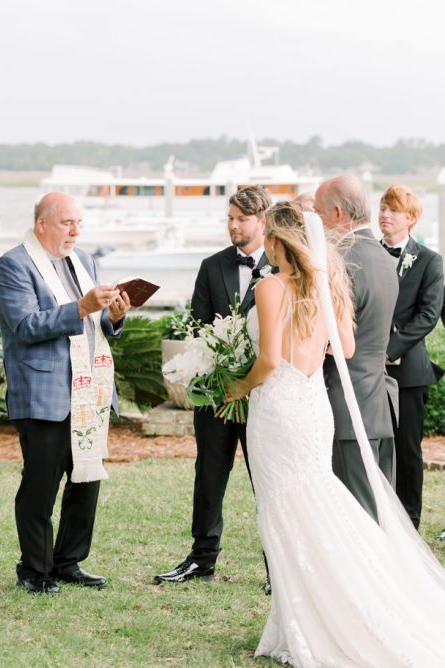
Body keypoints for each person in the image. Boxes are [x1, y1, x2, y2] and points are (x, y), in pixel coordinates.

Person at [224, 202, 445, 666]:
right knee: (313, 503)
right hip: (313, 405)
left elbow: (268, 361)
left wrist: (236, 387)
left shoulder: (270, 286)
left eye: (268, 237)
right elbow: (344, 347)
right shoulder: (327, 284)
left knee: (284, 513)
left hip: (279, 407)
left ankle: (311, 622)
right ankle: (309, 616)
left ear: (276, 241)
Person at [0, 192, 130, 595]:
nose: (75, 231)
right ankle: (34, 570)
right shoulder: (12, 265)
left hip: (89, 391)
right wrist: (82, 307)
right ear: (42, 225)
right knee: (41, 486)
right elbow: (25, 326)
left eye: (78, 223)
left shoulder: (84, 260)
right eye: (67, 223)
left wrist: (114, 316)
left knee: (86, 480)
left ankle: (68, 562)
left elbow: (98, 325)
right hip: (44, 393)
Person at [155, 185, 272, 585]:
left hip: (263, 394)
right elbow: (200, 327)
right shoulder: (211, 266)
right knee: (208, 475)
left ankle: (277, 566)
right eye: (230, 218)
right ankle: (201, 558)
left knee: (267, 480)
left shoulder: (280, 266)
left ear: (263, 222)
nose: (233, 225)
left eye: (241, 219)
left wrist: (248, 378)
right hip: (216, 393)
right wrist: (219, 373)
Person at [314, 174, 399, 521]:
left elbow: (328, 337)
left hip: (346, 405)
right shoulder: (384, 257)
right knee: (379, 516)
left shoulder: (340, 261)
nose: (316, 224)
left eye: (318, 214)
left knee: (356, 520)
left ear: (337, 213)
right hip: (379, 404)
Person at [379, 185, 444, 529]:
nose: (384, 215)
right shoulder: (366, 254)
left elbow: (428, 315)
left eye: (393, 210)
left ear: (411, 218)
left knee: (407, 450)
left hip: (408, 373)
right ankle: (377, 518)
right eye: (382, 208)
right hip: (366, 371)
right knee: (373, 447)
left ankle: (409, 524)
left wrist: (389, 350)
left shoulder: (430, 261)